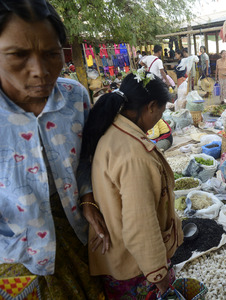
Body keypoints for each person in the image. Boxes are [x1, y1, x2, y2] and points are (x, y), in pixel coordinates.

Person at [0, 1, 110, 298]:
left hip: (77, 232)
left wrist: (87, 195)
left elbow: (89, 154)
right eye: (18, 55)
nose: (40, 71)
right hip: (15, 254)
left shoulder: (75, 97)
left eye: (51, 54)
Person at [82, 71, 183, 299]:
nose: (161, 118)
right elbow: (141, 225)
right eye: (162, 112)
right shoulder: (135, 156)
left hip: (116, 254)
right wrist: (160, 277)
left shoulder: (113, 129)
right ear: (151, 107)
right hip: (135, 266)